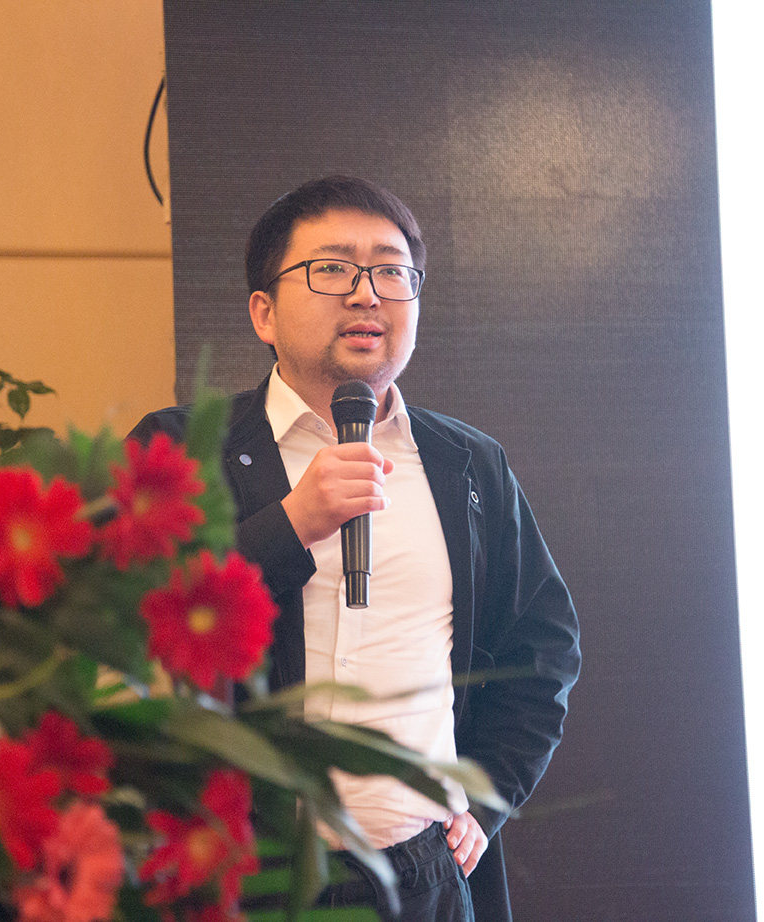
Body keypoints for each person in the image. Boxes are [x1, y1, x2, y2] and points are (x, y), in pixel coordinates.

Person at [130, 175, 580, 921]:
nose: (367, 293)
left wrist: (486, 795)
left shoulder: (468, 464)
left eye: (392, 272)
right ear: (264, 312)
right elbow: (133, 622)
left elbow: (543, 645)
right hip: (247, 879)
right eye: (333, 269)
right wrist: (290, 525)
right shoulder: (182, 449)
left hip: (422, 879)